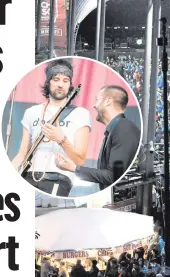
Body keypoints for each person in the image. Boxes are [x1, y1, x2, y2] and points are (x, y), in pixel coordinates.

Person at [12, 59, 92, 196]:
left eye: (65, 80)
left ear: (70, 85)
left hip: (58, 179)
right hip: (28, 176)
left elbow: (80, 159)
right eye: (56, 79)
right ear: (48, 82)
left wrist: (61, 139)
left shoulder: (80, 113)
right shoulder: (32, 112)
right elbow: (22, 153)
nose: (60, 84)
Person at [56, 85, 141, 190]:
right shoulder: (116, 129)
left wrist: (74, 168)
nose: (94, 105)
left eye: (97, 100)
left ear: (108, 101)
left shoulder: (123, 129)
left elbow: (113, 176)